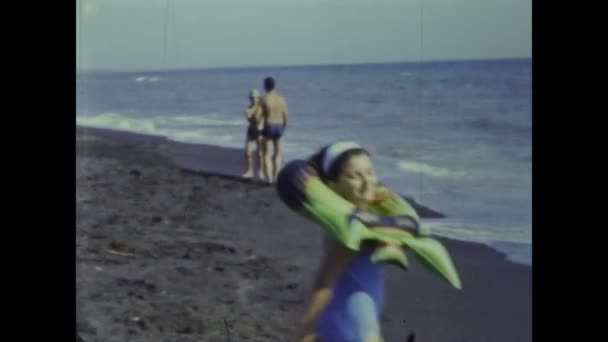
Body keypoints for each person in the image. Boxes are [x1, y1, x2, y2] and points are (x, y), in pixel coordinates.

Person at [295, 141, 386, 342]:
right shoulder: (351, 228)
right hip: (352, 324)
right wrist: (306, 331)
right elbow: (325, 280)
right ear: (333, 185)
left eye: (370, 172)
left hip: (358, 319)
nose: (367, 182)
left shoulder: (353, 217)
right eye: (355, 176)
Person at [259, 77, 288, 183]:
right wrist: (283, 128)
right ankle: (276, 177)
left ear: (265, 86)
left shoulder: (264, 98)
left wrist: (258, 128)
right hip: (279, 125)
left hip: (269, 125)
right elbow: (286, 117)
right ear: (274, 86)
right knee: (277, 153)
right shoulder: (281, 99)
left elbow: (259, 115)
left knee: (266, 153)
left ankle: (269, 179)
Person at [242, 89, 263, 179]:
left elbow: (259, 119)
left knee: (260, 153)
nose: (253, 99)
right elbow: (250, 119)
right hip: (251, 130)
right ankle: (249, 171)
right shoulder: (247, 109)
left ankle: (260, 172)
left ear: (258, 98)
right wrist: (249, 114)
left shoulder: (261, 107)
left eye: (254, 97)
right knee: (247, 152)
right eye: (251, 98)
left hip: (260, 131)